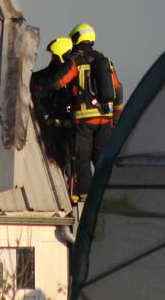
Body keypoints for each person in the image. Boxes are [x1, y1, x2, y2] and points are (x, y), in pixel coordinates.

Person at [37, 23, 116, 203]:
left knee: (82, 159)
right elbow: (117, 90)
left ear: (76, 38)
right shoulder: (105, 61)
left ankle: (86, 199)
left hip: (84, 119)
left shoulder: (75, 60)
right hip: (105, 119)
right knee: (101, 159)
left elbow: (59, 82)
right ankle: (108, 196)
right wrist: (115, 116)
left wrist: (42, 85)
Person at [30, 37, 75, 173]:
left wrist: (41, 86)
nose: (52, 57)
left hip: (66, 113)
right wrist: (30, 77)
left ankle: (70, 178)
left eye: (54, 54)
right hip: (56, 111)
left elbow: (55, 82)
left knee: (66, 152)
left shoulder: (68, 65)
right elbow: (45, 73)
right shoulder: (56, 65)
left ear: (61, 54)